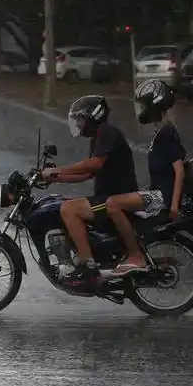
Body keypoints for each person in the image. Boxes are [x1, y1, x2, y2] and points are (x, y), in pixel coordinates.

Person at [41, 95, 138, 291]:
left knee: (69, 209)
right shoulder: (99, 137)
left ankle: (88, 265)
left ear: (94, 116)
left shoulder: (108, 133)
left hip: (115, 198)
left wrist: (58, 170)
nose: (78, 123)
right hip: (106, 196)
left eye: (80, 118)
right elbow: (87, 173)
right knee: (65, 205)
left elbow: (95, 163)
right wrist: (56, 177)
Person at [105, 79, 186, 276]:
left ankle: (135, 256)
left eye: (143, 105)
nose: (140, 110)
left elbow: (180, 170)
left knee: (112, 204)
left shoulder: (167, 133)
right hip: (155, 193)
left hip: (160, 198)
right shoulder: (161, 131)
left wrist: (174, 206)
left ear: (154, 105)